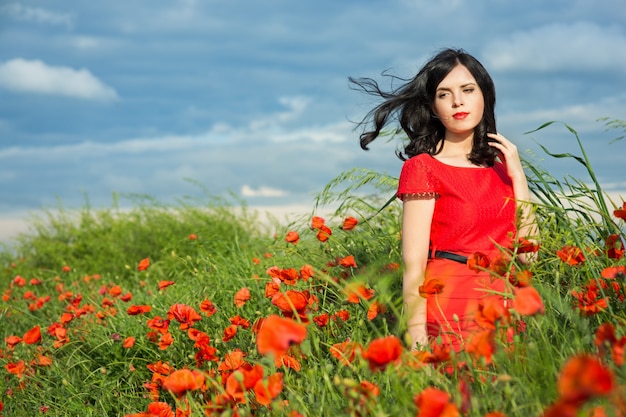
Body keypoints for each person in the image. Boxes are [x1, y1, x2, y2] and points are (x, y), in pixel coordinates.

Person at [350, 48, 537, 351]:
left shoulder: (503, 172)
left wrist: (519, 178)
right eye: (444, 94)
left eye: (467, 90)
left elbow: (530, 256)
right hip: (452, 303)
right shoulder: (423, 167)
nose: (457, 102)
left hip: (507, 306)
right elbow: (414, 267)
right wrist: (417, 342)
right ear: (434, 107)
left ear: (485, 96)